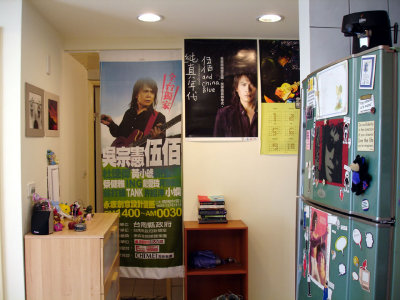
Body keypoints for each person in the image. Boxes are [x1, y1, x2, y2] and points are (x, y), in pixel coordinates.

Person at [101, 78, 166, 147]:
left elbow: (161, 144)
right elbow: (120, 134)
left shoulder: (159, 117)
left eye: (152, 92)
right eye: (145, 91)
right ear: (136, 94)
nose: (149, 95)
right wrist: (111, 123)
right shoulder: (129, 113)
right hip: (123, 155)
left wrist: (158, 138)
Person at [213, 73, 257, 137]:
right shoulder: (224, 114)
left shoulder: (264, 112)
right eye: (244, 85)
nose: (248, 90)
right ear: (236, 88)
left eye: (252, 84)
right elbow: (217, 143)